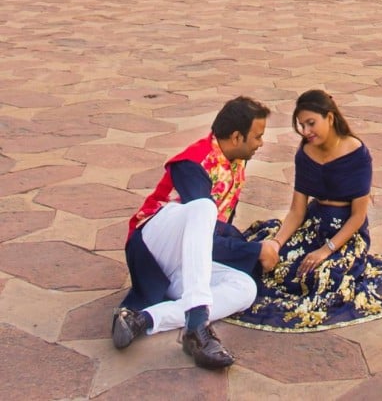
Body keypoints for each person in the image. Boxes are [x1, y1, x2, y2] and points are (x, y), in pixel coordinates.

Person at [228, 89, 382, 332]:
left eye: (311, 123)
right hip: (313, 223)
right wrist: (277, 242)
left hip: (345, 232)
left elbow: (358, 216)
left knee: (322, 277)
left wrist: (326, 250)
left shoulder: (357, 154)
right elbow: (296, 211)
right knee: (276, 266)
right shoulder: (305, 153)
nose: (306, 131)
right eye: (301, 125)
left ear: (330, 118)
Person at [111, 95, 274, 369]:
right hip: (154, 245)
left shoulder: (236, 161)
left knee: (245, 289)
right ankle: (198, 322)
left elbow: (208, 240)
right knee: (204, 209)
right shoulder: (193, 163)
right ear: (236, 137)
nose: (261, 143)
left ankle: (144, 319)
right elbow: (207, 230)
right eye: (257, 136)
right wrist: (255, 250)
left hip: (186, 261)